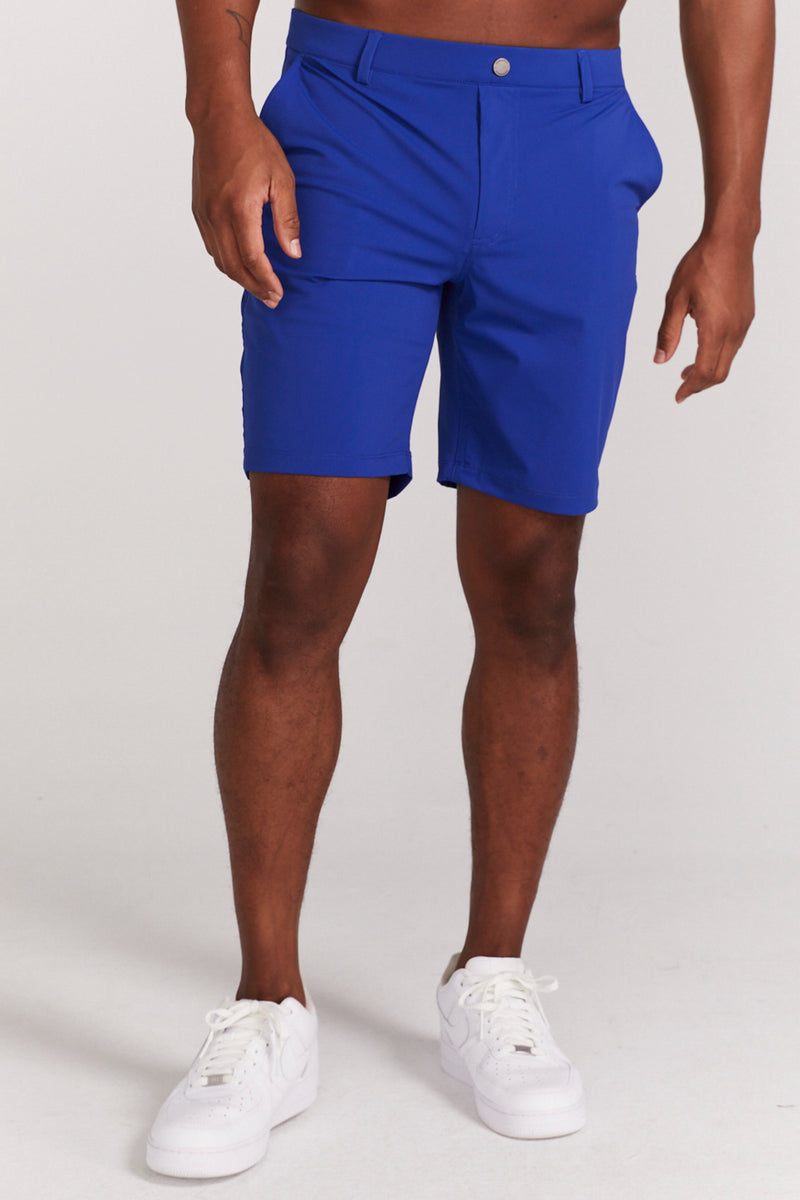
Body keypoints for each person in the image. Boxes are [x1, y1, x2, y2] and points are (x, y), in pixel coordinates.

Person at [146, 0, 775, 1178]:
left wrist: (731, 221)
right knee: (301, 565)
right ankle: (268, 1004)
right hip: (351, 119)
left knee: (534, 575)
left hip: (565, 132)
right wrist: (218, 112)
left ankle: (490, 970)